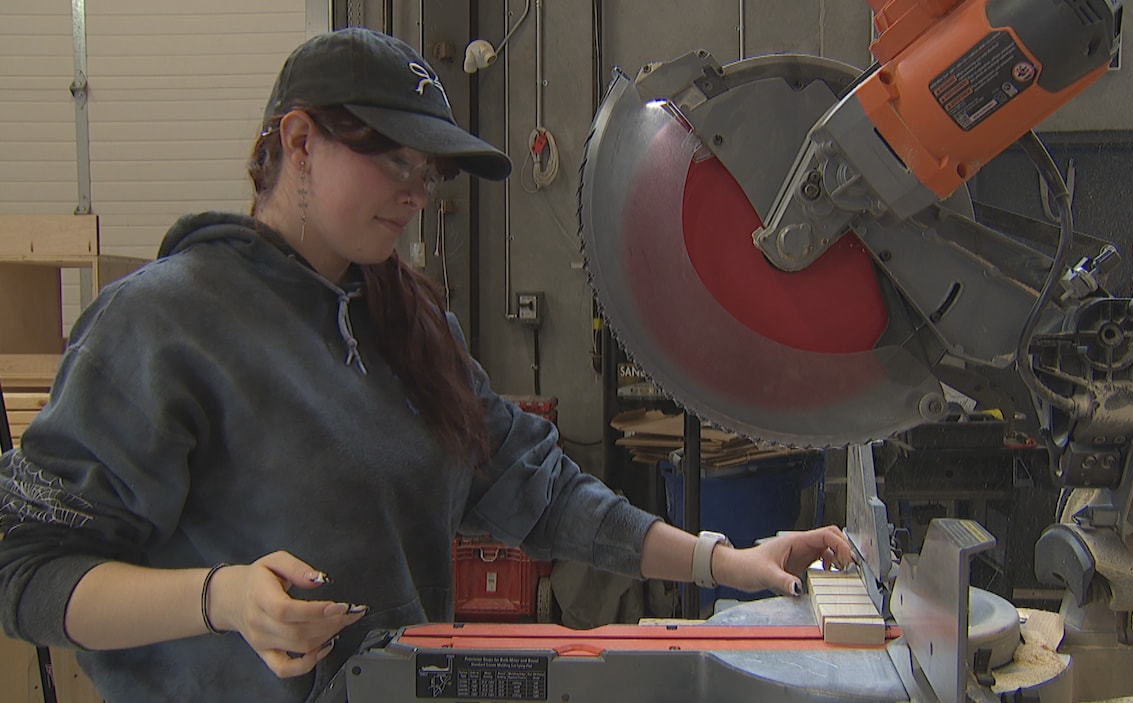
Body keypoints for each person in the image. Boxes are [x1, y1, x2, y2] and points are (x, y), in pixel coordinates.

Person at [0, 28, 852, 702]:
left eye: (427, 171)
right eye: (394, 161)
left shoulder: (407, 326)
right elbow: (29, 572)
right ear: (298, 140)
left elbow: (542, 491)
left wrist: (725, 560)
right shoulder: (163, 322)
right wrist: (219, 596)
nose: (418, 192)